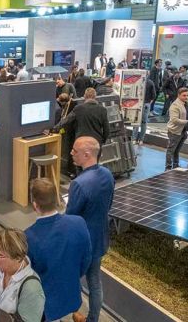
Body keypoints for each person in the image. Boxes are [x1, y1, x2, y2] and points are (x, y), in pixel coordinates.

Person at [26, 178, 91, 322]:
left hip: (45, 307)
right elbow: (86, 260)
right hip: (71, 296)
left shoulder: (28, 238)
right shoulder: (79, 223)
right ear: (56, 199)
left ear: (35, 205)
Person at [65, 137, 114, 322]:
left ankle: (71, 311)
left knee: (71, 279)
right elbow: (108, 205)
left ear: (87, 154)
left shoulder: (79, 183)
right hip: (99, 240)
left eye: (75, 151)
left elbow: (71, 218)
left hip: (81, 245)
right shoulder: (107, 175)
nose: (71, 153)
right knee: (95, 282)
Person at [165, 87, 188, 171]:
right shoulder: (175, 105)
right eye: (184, 95)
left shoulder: (186, 103)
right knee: (171, 150)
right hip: (175, 131)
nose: (186, 97)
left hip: (183, 131)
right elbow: (174, 120)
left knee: (177, 150)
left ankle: (176, 165)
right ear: (179, 95)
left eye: (187, 95)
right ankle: (168, 167)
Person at [132, 76, 156, 145]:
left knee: (136, 121)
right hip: (146, 104)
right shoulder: (150, 82)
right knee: (144, 122)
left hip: (137, 103)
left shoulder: (136, 81)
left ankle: (134, 139)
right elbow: (153, 96)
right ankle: (141, 140)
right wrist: (149, 103)